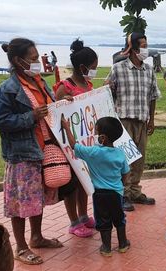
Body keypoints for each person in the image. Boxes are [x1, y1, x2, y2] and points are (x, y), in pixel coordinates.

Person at [0, 38, 64, 266]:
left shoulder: (40, 82)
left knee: (36, 199)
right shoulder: (8, 89)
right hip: (22, 154)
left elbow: (50, 108)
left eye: (36, 58)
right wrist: (30, 117)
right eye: (33, 59)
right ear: (17, 61)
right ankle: (20, 247)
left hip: (42, 150)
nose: (37, 63)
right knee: (20, 202)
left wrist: (63, 103)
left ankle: (37, 237)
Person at [61, 116, 131, 257]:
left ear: (103, 138)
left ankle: (106, 248)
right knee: (119, 218)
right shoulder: (120, 154)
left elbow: (74, 145)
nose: (95, 135)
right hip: (116, 193)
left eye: (96, 132)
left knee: (103, 220)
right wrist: (120, 186)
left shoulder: (93, 153)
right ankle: (123, 244)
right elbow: (125, 173)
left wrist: (67, 127)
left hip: (100, 195)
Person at [106, 32, 161, 212]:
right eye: (142, 45)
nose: (145, 49)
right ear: (132, 49)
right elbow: (108, 93)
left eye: (146, 45)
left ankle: (135, 191)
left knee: (139, 159)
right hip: (124, 122)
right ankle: (124, 194)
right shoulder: (118, 69)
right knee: (125, 160)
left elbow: (153, 96)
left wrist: (151, 120)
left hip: (142, 121)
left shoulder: (149, 70)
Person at [53, 39, 99, 238]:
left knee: (83, 182)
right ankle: (73, 221)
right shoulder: (65, 87)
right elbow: (55, 114)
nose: (94, 71)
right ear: (82, 67)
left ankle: (83, 215)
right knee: (72, 185)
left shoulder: (88, 84)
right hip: (69, 145)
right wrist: (64, 103)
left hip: (85, 144)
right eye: (93, 68)